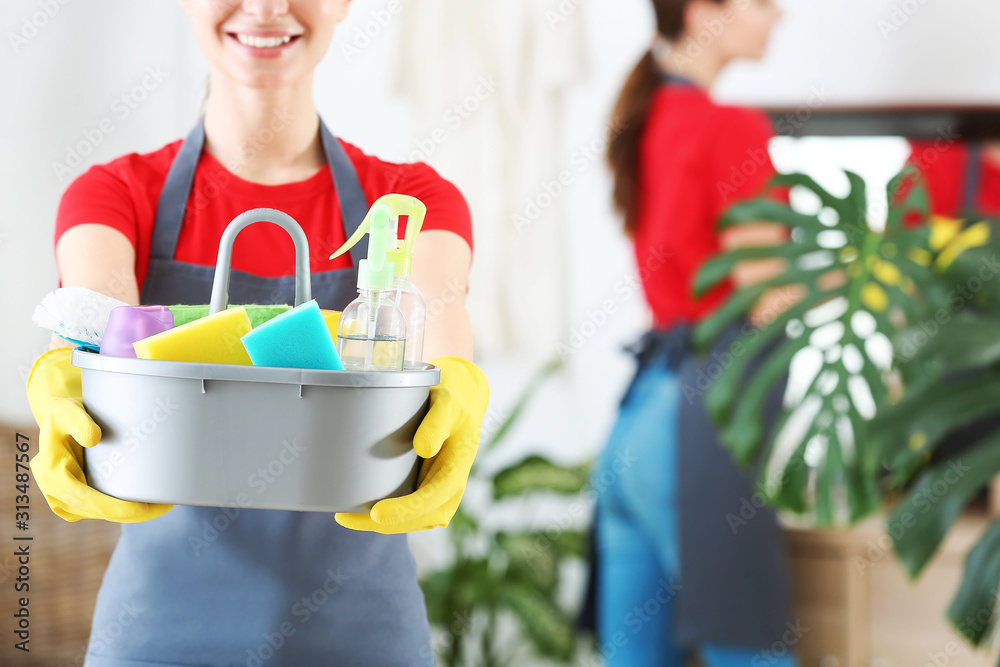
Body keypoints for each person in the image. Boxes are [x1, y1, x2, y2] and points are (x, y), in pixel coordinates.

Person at [25, 1, 489, 665]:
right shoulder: (116, 196)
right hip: (162, 631)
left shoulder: (407, 204)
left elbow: (439, 328)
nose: (268, 7)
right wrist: (64, 367)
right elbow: (96, 318)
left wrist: (459, 383)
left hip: (363, 633)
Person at [593, 0, 800, 664]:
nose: (779, 16)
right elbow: (767, 295)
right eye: (762, 2)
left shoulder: (647, 115)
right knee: (752, 653)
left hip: (635, 427)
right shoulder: (730, 127)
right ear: (703, 12)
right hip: (698, 429)